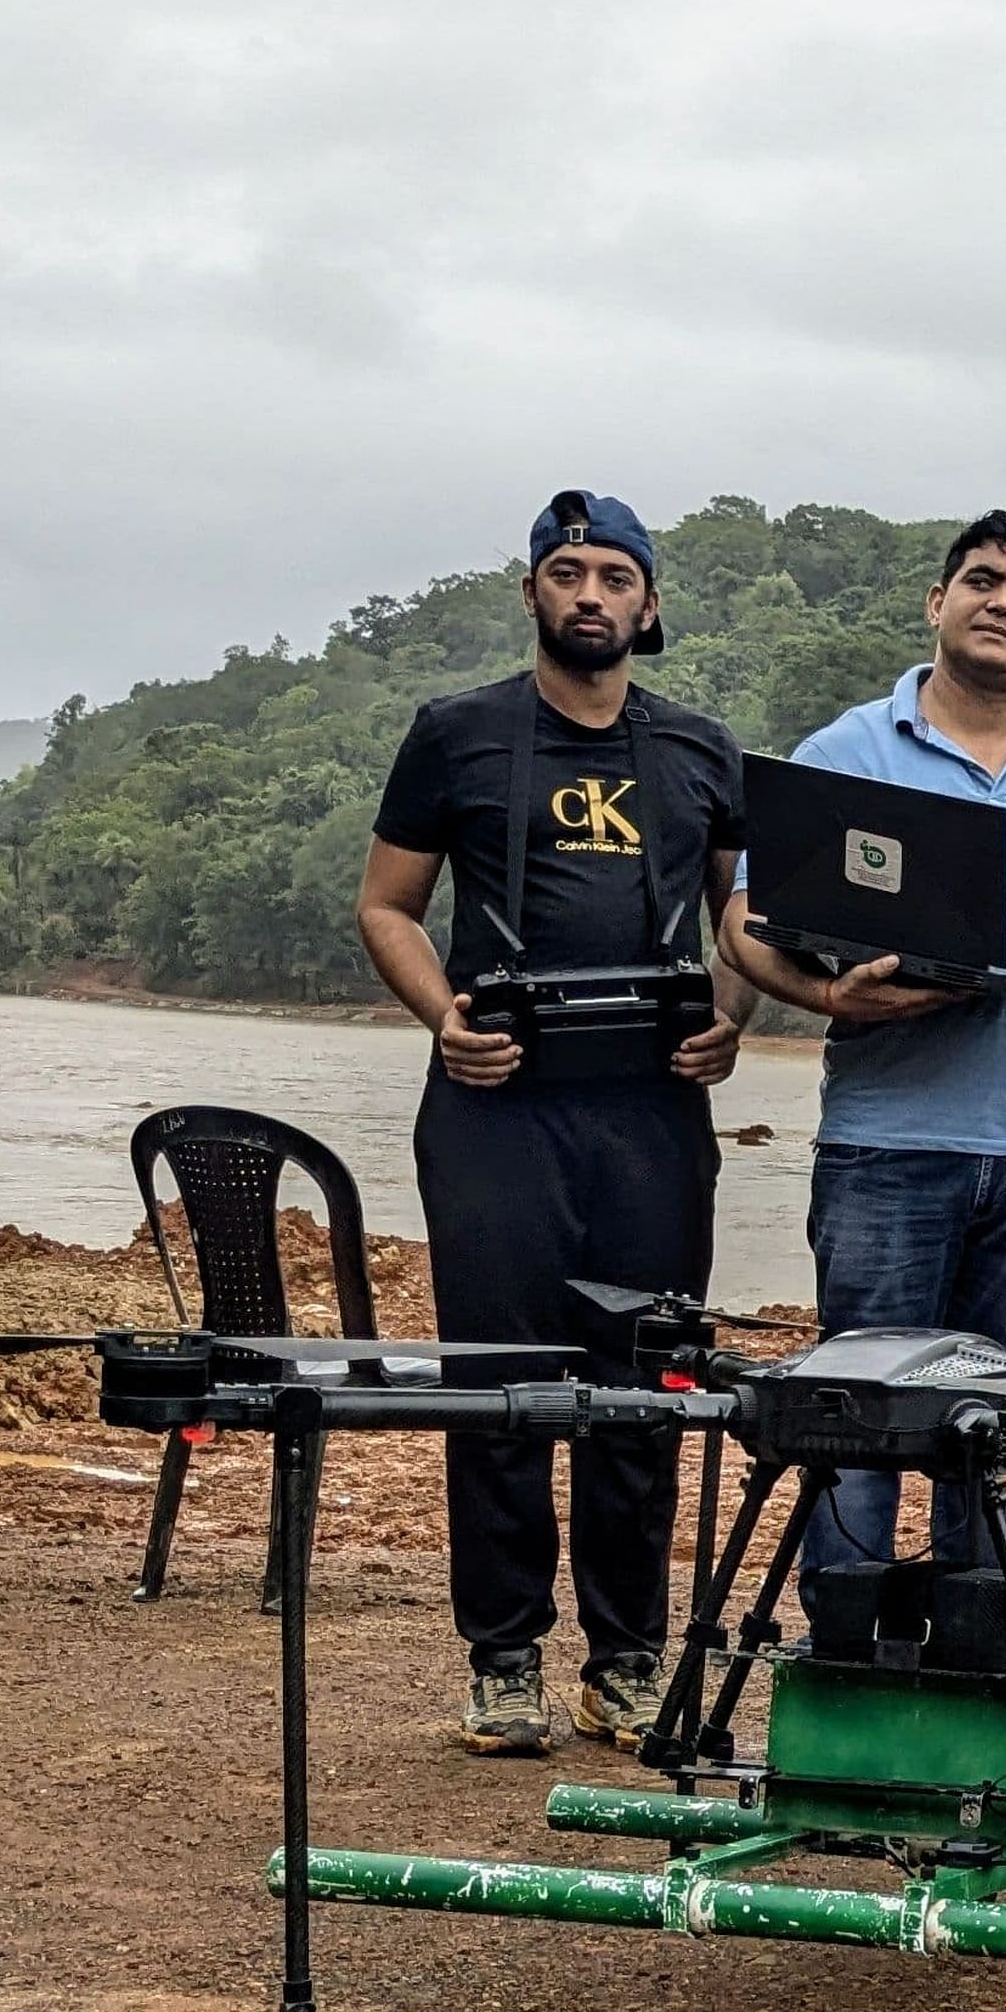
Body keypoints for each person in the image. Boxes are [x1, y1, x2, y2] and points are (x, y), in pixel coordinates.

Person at [722, 509, 1006, 1598]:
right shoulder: (847, 751)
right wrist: (830, 996)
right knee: (857, 1429)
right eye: (982, 580)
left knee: (1003, 1440)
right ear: (937, 602)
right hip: (885, 1150)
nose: (1003, 602)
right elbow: (747, 923)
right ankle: (843, 1660)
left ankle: (980, 1675)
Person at [358, 490, 748, 1754]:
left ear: (649, 603)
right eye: (566, 572)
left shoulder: (699, 747)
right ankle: (504, 1655)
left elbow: (740, 921)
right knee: (498, 1382)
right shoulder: (456, 734)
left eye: (613, 576)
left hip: (651, 1106)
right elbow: (387, 906)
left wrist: (731, 1017)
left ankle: (627, 1658)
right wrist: (443, 1020)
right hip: (494, 1104)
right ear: (530, 591)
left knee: (641, 1384)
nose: (590, 595)